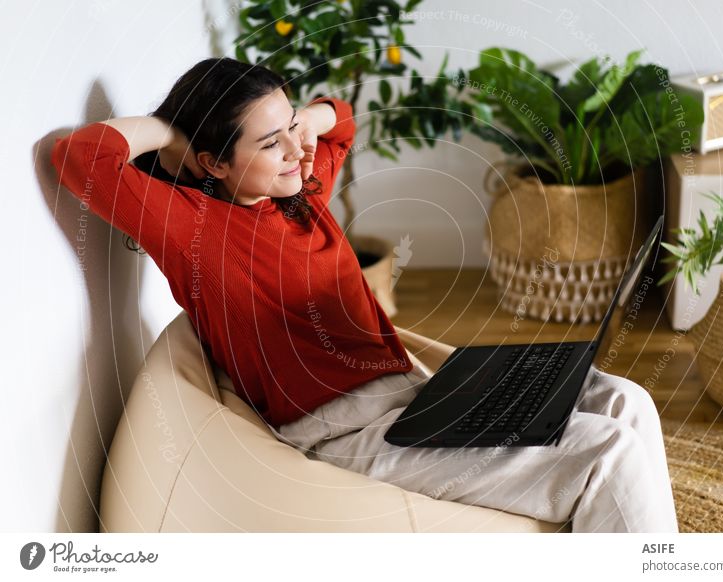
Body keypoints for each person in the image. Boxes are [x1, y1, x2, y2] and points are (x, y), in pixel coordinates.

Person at [51, 57, 678, 533]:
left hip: (414, 393)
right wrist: (171, 131)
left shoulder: (298, 196)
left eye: (293, 129)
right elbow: (80, 157)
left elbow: (341, 116)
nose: (299, 150)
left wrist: (288, 126)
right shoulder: (195, 229)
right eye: (270, 144)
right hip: (347, 429)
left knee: (627, 401)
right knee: (609, 453)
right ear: (212, 162)